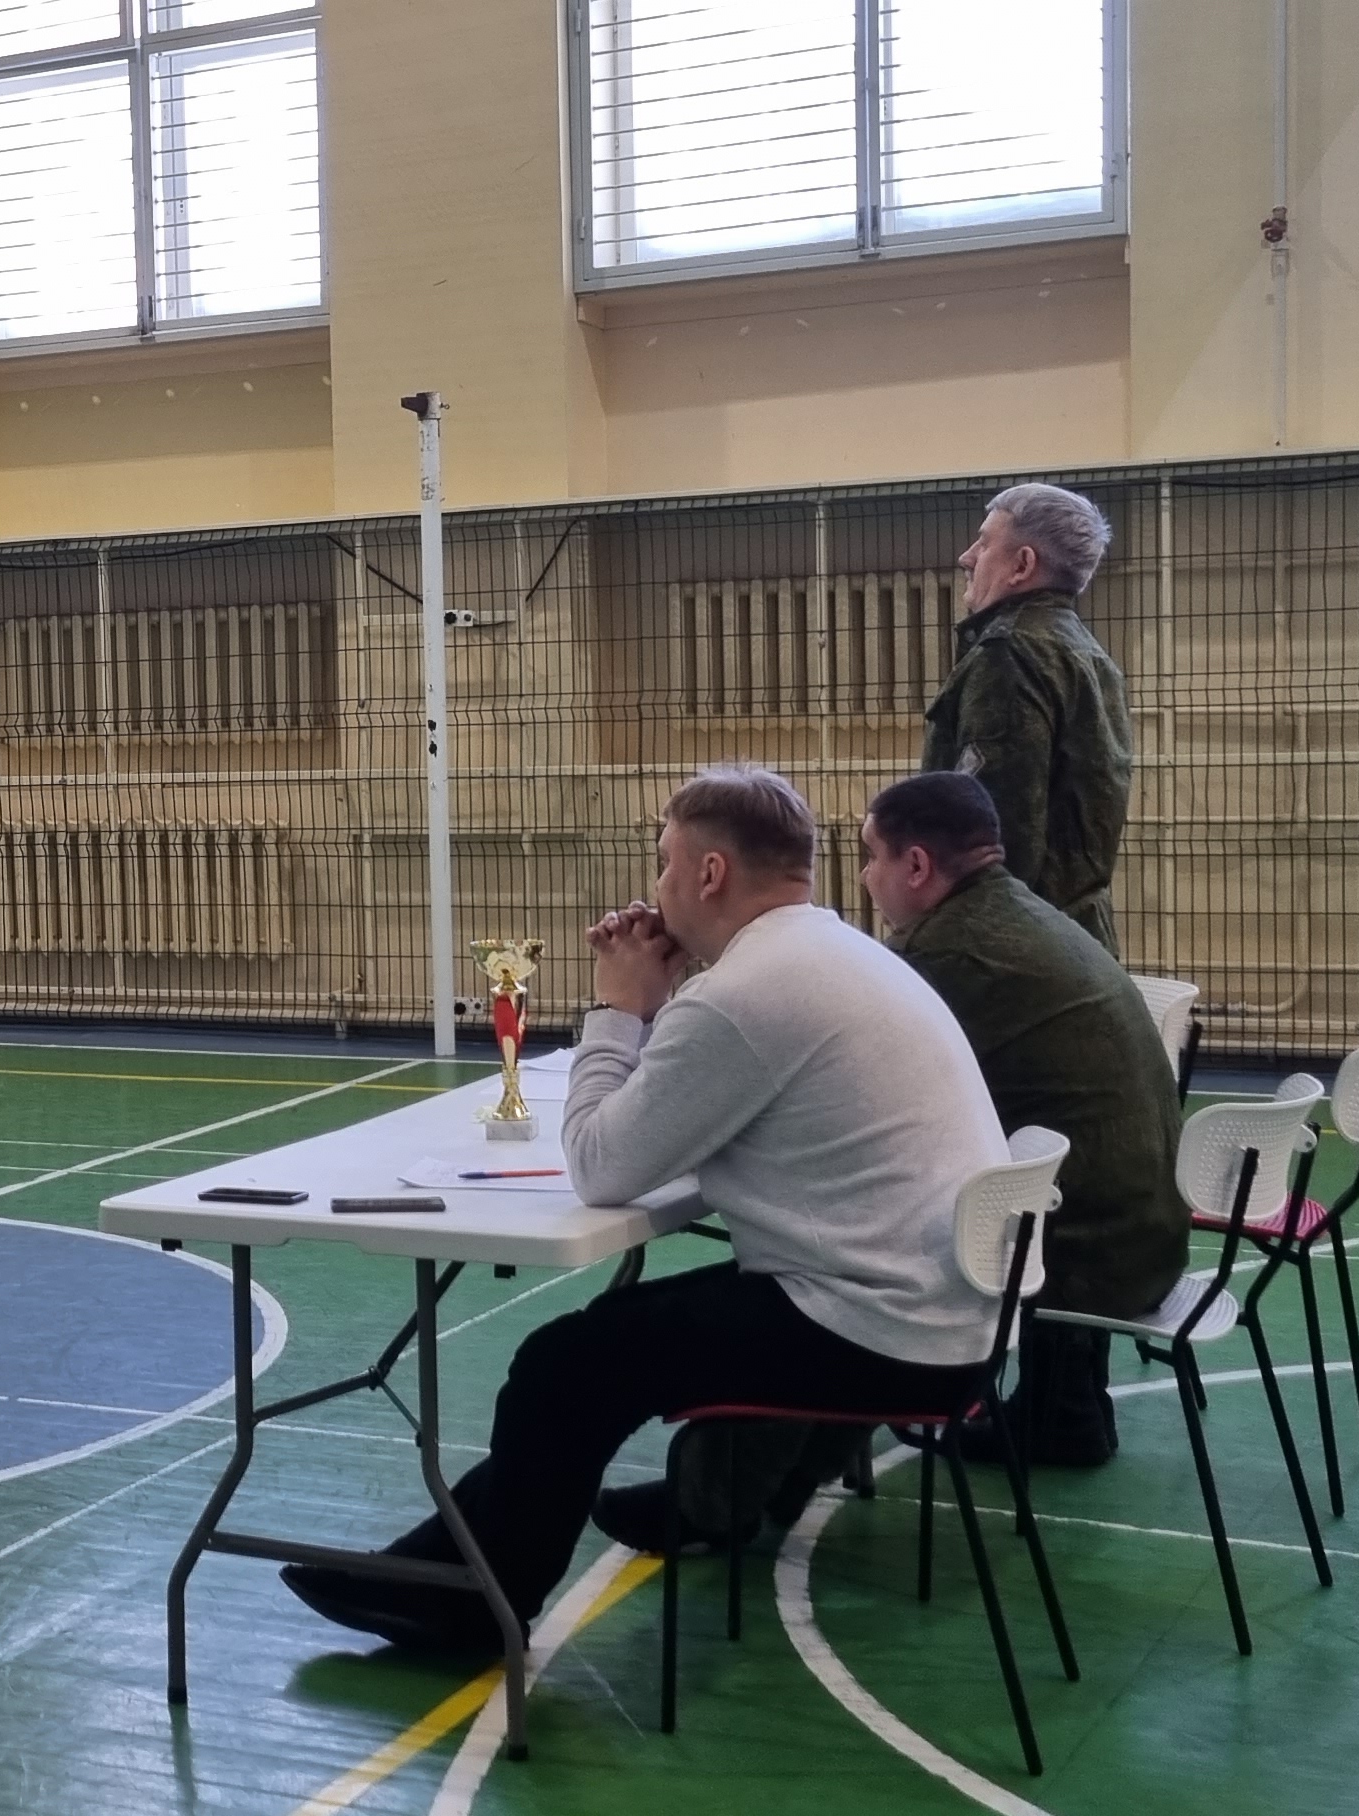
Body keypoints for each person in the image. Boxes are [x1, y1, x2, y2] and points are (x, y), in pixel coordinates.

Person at [278, 765, 1007, 1657]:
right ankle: (443, 1570)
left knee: (566, 1366)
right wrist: (662, 1011)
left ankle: (472, 1605)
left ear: (709, 873)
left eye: (665, 862)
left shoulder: (749, 993)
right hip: (948, 1315)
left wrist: (618, 1010)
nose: (656, 886)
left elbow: (601, 1165)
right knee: (595, 1347)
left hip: (883, 1332)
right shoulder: (834, 952)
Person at [857, 771, 1185, 1466]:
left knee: (869, 1201)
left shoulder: (949, 950)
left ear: (915, 865)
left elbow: (856, 1082)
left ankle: (854, 1409)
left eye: (871, 856)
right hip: (1147, 1234)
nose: (864, 877)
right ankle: (1066, 1407)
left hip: (1088, 1253)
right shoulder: (1024, 914)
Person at [926, 481, 1136, 959]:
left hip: (1010, 954)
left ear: (1022, 565)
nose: (966, 556)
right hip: (1077, 941)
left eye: (984, 543)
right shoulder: (1086, 652)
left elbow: (991, 836)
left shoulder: (1009, 656)